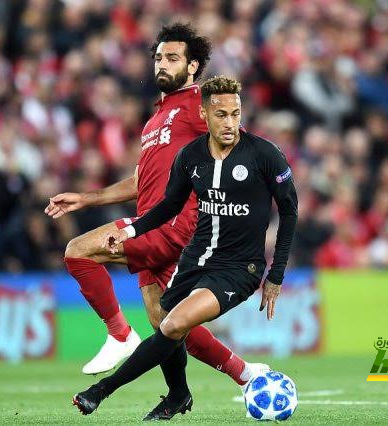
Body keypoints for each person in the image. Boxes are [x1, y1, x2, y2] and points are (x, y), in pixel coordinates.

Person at [45, 23, 266, 384]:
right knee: (168, 323)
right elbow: (140, 181)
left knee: (78, 251)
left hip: (175, 224)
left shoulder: (199, 104)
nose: (162, 64)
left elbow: (240, 146)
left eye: (172, 58)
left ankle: (119, 334)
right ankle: (246, 374)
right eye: (159, 57)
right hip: (150, 222)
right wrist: (87, 198)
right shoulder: (156, 119)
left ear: (192, 66)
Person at [72, 76, 298, 420]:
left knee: (173, 324)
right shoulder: (190, 156)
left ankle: (101, 391)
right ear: (204, 114)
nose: (230, 123)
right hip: (196, 258)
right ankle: (178, 395)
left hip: (239, 269)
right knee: (166, 323)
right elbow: (168, 206)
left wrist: (275, 274)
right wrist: (131, 231)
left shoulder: (265, 155)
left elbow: (290, 212)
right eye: (221, 114)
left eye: (236, 114)